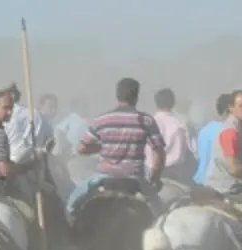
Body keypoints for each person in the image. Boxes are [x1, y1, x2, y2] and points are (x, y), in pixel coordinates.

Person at [64, 77, 166, 217]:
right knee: (160, 214)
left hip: (104, 176)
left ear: (117, 95)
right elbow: (158, 152)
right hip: (135, 177)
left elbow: (82, 148)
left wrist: (102, 147)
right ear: (136, 97)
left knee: (71, 204)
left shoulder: (101, 119)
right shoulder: (146, 120)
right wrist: (154, 178)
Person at [203, 91, 242, 227]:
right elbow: (235, 169)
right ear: (230, 107)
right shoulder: (230, 132)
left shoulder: (238, 127)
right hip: (228, 186)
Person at [152, 88, 196, 183]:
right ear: (173, 103)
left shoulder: (149, 123)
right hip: (176, 174)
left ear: (156, 103)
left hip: (152, 172)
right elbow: (194, 149)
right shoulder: (182, 124)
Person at [194, 93, 233, 186]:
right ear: (229, 110)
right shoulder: (229, 131)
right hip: (220, 183)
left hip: (200, 180)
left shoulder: (205, 129)